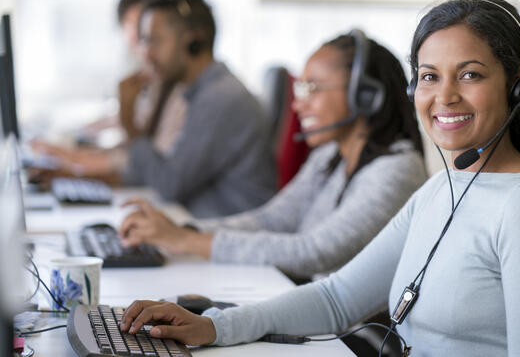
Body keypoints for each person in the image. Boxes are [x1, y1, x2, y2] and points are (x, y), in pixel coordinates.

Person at [118, 0, 520, 356]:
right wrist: (217, 325)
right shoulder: (443, 186)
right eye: (428, 76)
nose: (444, 96)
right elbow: (338, 298)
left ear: (518, 82)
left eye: (470, 75)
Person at [117, 30, 428, 280]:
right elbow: (274, 219)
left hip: (354, 337)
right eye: (300, 88)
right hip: (306, 308)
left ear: (365, 95)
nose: (298, 104)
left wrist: (187, 242)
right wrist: (181, 230)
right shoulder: (331, 155)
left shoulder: (397, 169)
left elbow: (314, 252)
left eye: (312, 88)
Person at [37, 0, 276, 218]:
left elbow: (169, 183)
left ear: (192, 40)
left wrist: (130, 121)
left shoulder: (220, 98)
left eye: (155, 41)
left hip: (229, 237)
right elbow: (158, 171)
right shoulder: (200, 92)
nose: (146, 55)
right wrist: (77, 175)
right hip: (202, 226)